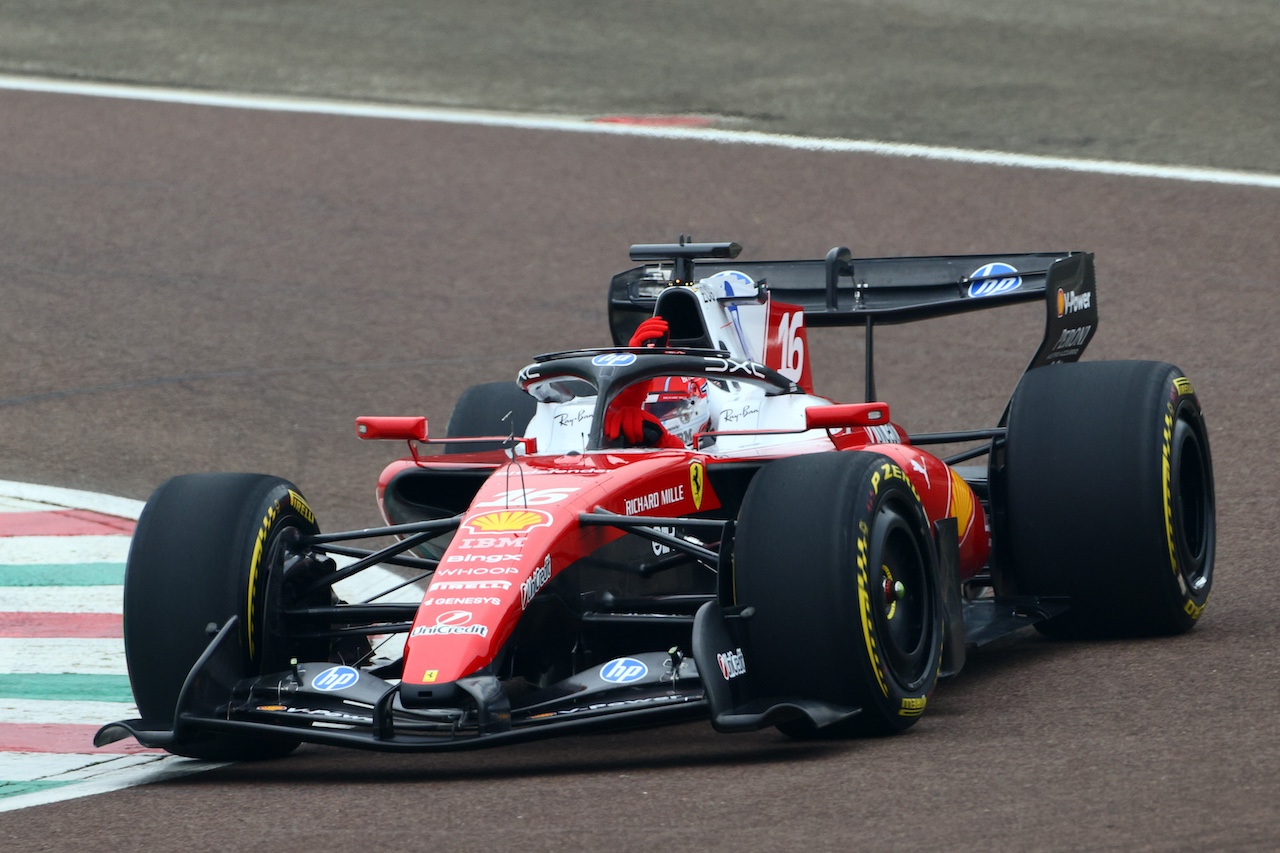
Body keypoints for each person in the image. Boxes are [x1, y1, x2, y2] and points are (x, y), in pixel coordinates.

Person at [602, 317, 710, 449]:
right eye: (648, 408)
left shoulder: (725, 454)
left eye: (662, 408)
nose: (646, 417)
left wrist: (666, 444)